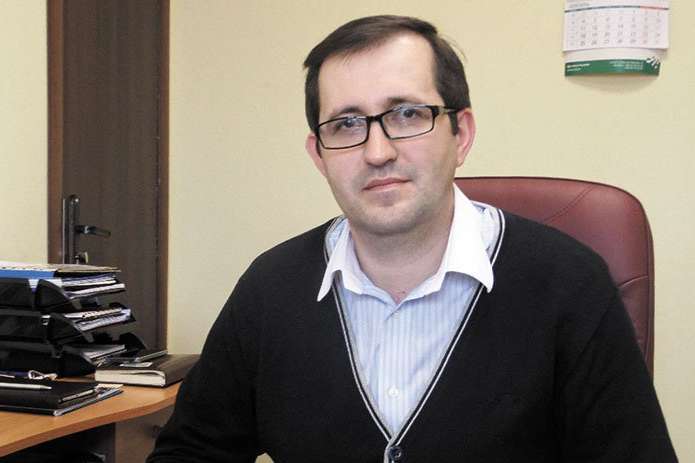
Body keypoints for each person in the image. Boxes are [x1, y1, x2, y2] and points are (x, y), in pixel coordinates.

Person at [148, 15, 677, 463]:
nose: (377, 151)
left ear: (461, 134)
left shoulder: (569, 284)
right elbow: (190, 452)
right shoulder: (271, 289)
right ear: (319, 156)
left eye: (406, 114)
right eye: (346, 124)